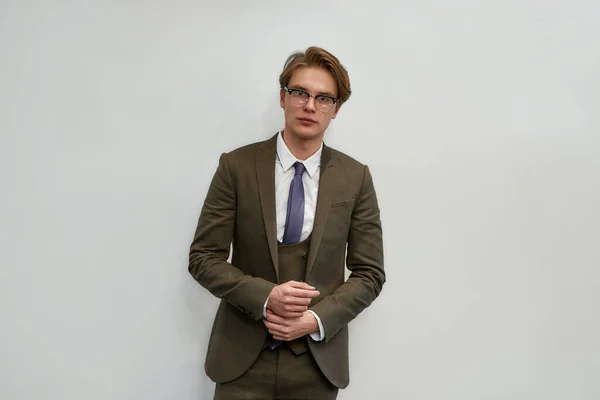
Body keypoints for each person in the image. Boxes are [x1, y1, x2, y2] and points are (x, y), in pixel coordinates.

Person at [189, 46, 385, 399]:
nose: (310, 106)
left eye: (324, 98)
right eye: (300, 93)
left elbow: (370, 273)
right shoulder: (236, 167)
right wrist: (265, 297)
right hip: (240, 358)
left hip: (317, 362)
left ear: (336, 109)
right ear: (283, 97)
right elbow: (203, 258)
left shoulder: (356, 179)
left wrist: (316, 319)